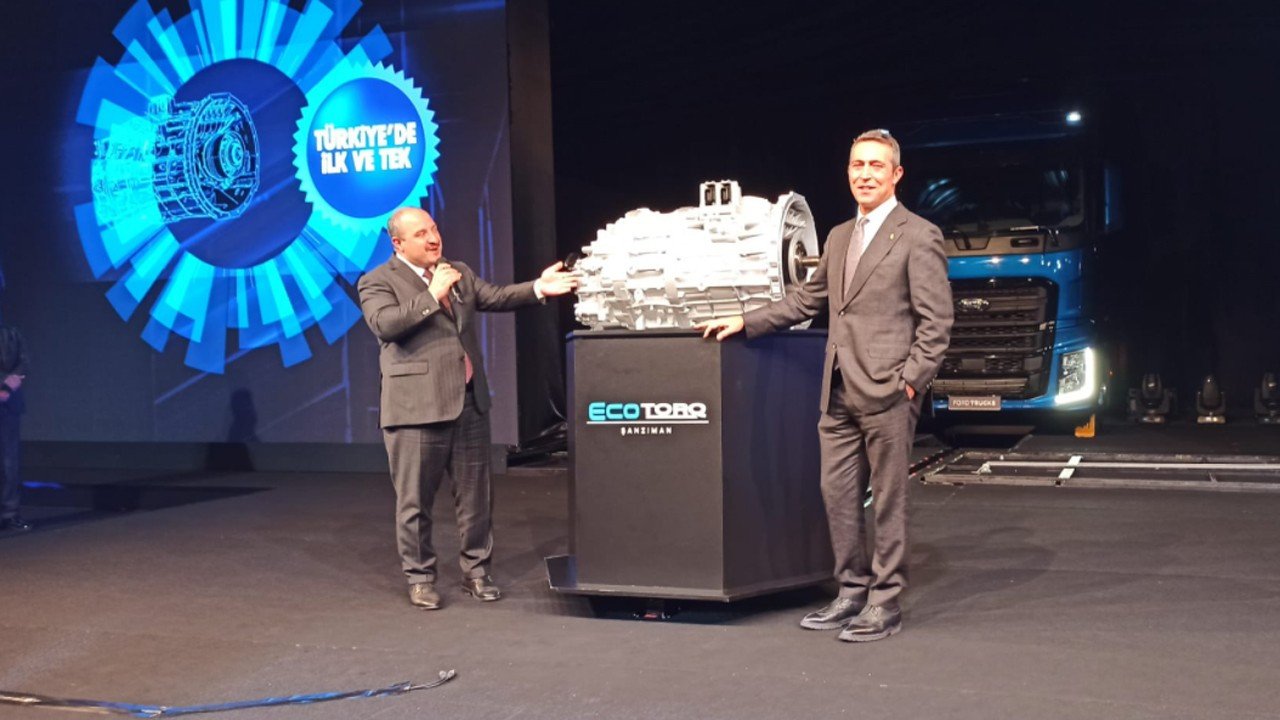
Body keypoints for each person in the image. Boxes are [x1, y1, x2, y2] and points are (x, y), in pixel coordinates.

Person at [697, 129, 953, 641]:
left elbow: (937, 322)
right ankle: (851, 591)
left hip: (887, 391)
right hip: (836, 391)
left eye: (876, 166)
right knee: (836, 495)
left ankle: (885, 602)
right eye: (858, 164)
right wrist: (746, 321)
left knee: (889, 500)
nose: (865, 174)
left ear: (896, 174)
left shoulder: (919, 234)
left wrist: (910, 383)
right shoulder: (838, 236)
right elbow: (805, 301)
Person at [357, 207, 577, 609]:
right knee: (414, 503)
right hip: (415, 409)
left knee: (476, 498)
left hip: (469, 402)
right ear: (398, 243)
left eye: (434, 228)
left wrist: (539, 287)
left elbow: (496, 296)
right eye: (421, 233)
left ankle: (477, 572)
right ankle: (421, 578)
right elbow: (385, 325)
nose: (433, 238)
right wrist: (431, 295)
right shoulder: (377, 281)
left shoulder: (456, 271)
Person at [0, 322, 29, 532]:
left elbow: (24, 362)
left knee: (9, 462)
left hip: (8, 404)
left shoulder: (12, 332)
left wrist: (7, 389)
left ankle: (9, 514)